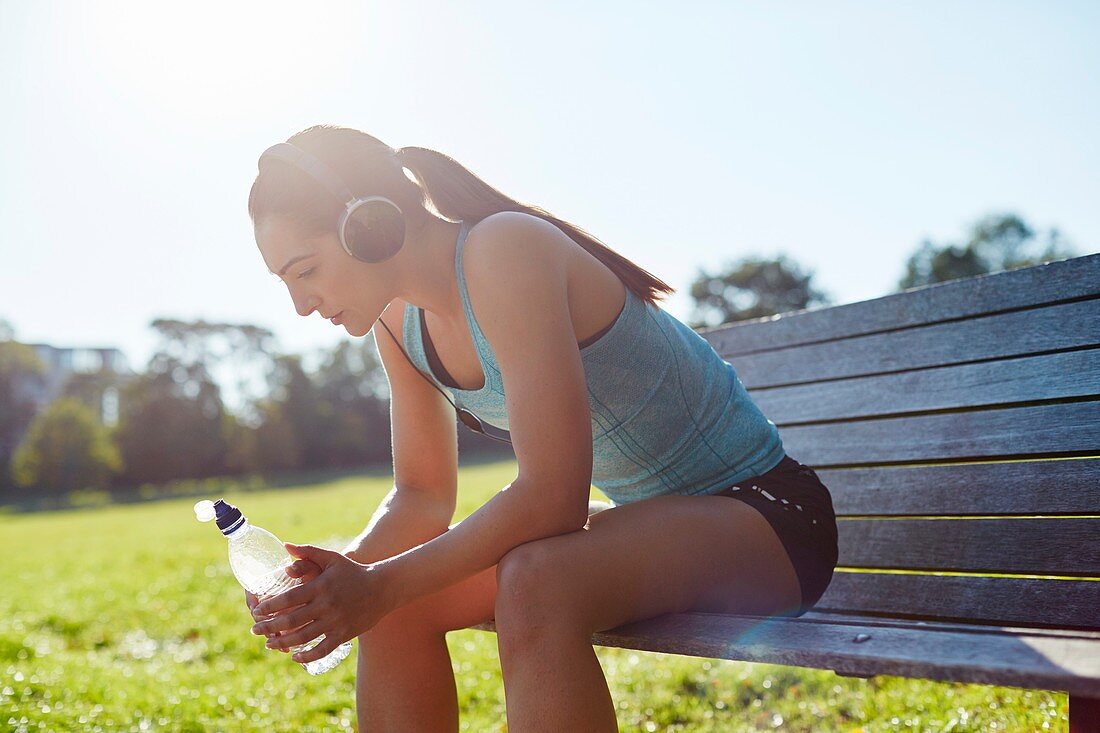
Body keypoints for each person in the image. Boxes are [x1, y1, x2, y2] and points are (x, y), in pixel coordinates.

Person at [244, 124, 839, 732]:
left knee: (535, 579)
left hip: (769, 521)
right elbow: (421, 497)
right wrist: (338, 579)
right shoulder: (397, 326)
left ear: (365, 223)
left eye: (305, 269)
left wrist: (379, 584)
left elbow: (554, 498)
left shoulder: (505, 249)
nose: (301, 303)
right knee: (398, 607)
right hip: (653, 531)